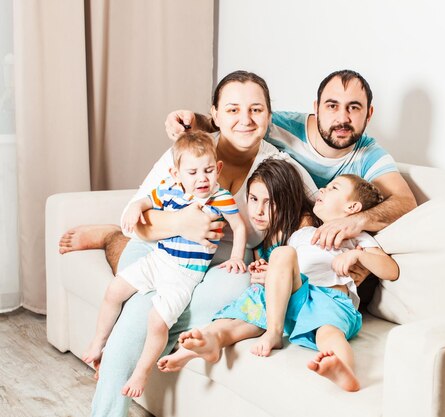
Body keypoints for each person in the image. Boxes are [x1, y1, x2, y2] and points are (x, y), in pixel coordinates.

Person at [82, 71, 318, 417]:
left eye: (256, 110)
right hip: (159, 244)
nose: (245, 120)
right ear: (215, 115)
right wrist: (182, 222)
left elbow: (321, 205)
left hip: (219, 263)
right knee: (138, 316)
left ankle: (142, 340)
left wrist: (339, 226)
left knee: (229, 288)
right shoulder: (187, 154)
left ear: (269, 116)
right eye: (233, 110)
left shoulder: (278, 166)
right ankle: (113, 386)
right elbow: (134, 221)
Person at [157, 160, 399, 393]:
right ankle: (212, 338)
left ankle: (343, 369)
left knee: (329, 333)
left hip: (329, 299)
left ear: (352, 208)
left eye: (334, 187)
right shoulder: (302, 234)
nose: (323, 188)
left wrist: (358, 256)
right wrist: (270, 272)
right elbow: (286, 265)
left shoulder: (355, 236)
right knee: (277, 263)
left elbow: (391, 270)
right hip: (289, 299)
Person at [165, 69, 417, 252]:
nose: (342, 118)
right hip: (261, 236)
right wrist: (194, 121)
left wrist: (353, 222)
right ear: (316, 107)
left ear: (369, 113)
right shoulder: (281, 126)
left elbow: (405, 202)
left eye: (354, 107)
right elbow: (240, 122)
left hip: (310, 247)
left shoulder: (370, 155)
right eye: (332, 106)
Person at [82, 131, 247, 398]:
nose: (201, 179)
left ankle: (142, 371)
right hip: (157, 259)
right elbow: (147, 200)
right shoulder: (170, 190)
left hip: (184, 275)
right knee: (115, 290)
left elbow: (239, 227)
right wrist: (136, 206)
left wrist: (237, 257)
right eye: (192, 172)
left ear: (217, 169)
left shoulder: (220, 198)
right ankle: (99, 341)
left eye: (207, 170)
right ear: (177, 173)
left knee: (157, 321)